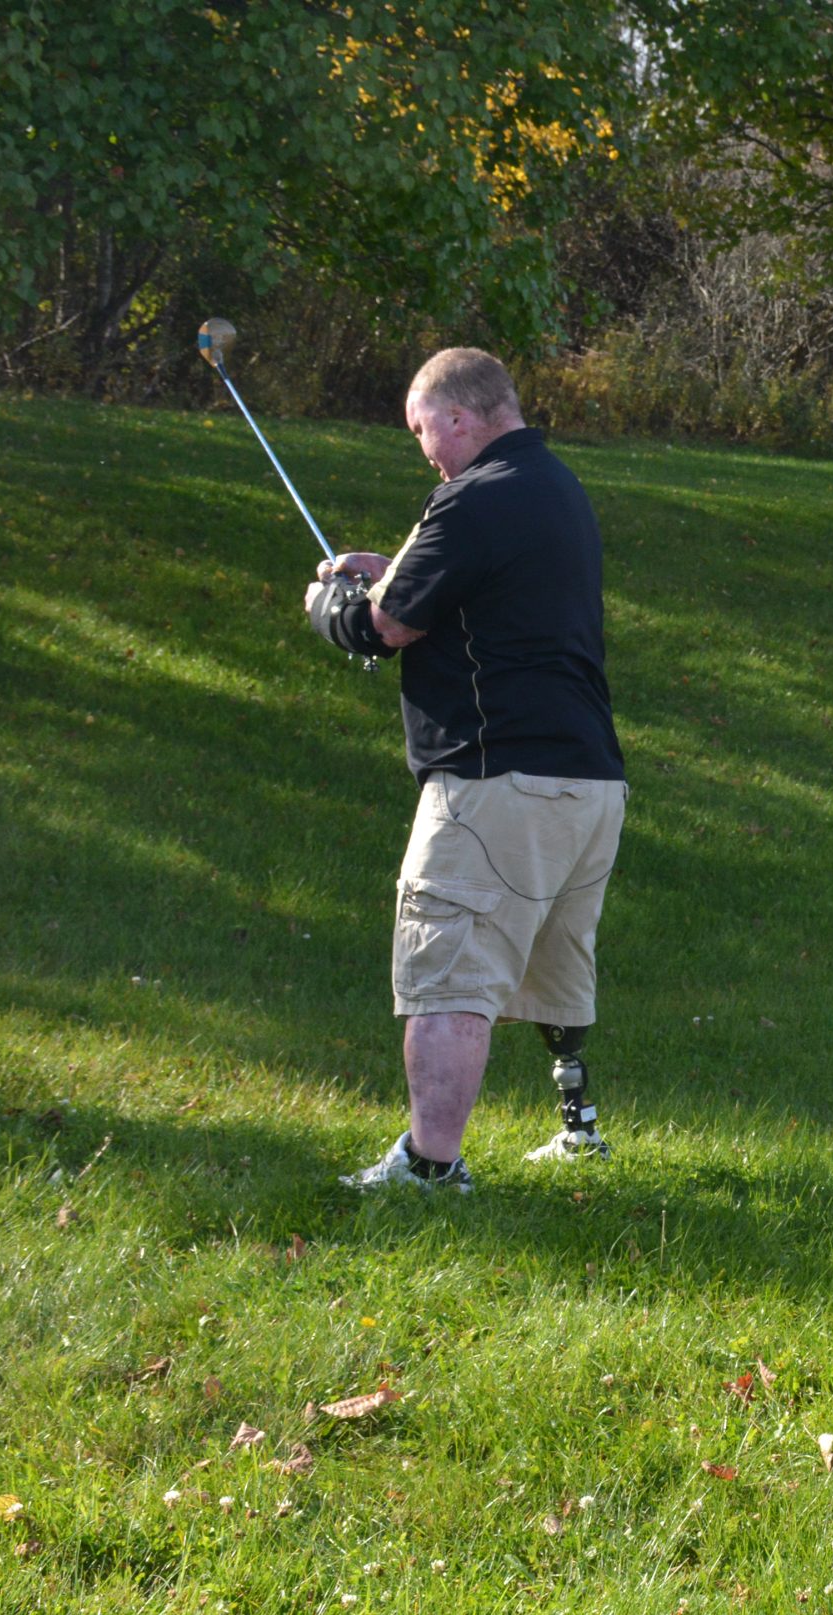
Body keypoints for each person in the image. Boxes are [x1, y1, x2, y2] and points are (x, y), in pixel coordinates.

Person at [302, 347, 627, 1191]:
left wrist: (334, 607)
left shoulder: (469, 498)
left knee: (447, 969)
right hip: (587, 782)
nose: (425, 451)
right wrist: (394, 573)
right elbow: (470, 597)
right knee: (557, 969)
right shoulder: (554, 486)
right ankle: (578, 1131)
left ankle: (431, 1166)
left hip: (496, 782)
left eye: (422, 430)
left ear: (457, 416)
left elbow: (390, 629)